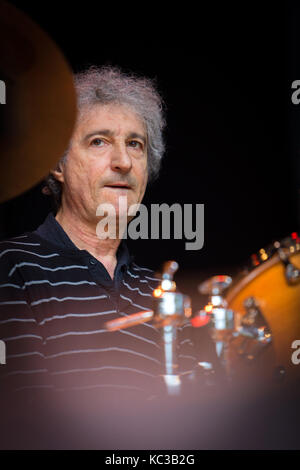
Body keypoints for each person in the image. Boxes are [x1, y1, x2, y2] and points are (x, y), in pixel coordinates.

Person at [0, 67, 200, 443]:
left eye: (135, 145)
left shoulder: (165, 294)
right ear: (56, 164)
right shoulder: (10, 266)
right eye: (99, 142)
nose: (123, 161)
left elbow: (194, 426)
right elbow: (24, 422)